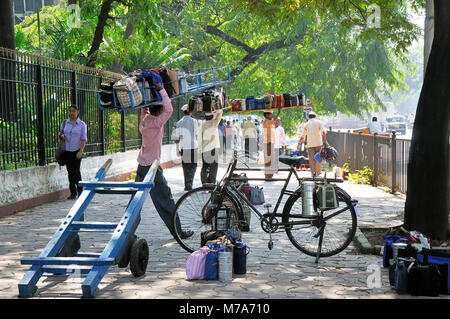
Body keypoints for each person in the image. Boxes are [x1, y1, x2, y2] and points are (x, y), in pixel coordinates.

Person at [135, 75, 192, 239]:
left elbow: (144, 109)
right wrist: (161, 90)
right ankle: (178, 231)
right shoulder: (156, 123)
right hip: (152, 168)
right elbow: (169, 110)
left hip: (141, 164)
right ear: (158, 110)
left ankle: (126, 232)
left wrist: (147, 99)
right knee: (165, 200)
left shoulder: (144, 122)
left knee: (136, 201)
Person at [59, 105, 87, 200]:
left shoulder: (82, 124)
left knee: (76, 171)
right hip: (67, 151)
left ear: (77, 112)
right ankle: (72, 192)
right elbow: (60, 133)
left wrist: (81, 151)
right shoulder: (64, 123)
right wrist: (62, 135)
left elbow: (84, 139)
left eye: (73, 111)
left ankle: (80, 191)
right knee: (70, 172)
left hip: (76, 151)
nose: (71, 113)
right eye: (70, 111)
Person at [174, 104, 198, 191]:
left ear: (183, 112)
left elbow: (177, 138)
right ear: (190, 112)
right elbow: (196, 134)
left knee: (186, 166)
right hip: (193, 147)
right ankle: (189, 183)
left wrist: (177, 149)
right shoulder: (194, 121)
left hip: (184, 147)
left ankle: (187, 184)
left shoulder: (179, 122)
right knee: (193, 166)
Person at [296, 111, 327, 177]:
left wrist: (298, 144)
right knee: (318, 157)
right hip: (318, 143)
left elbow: (302, 136)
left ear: (308, 117)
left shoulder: (306, 124)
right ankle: (318, 173)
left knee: (311, 159)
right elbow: (323, 132)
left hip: (310, 145)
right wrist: (324, 140)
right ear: (315, 116)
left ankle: (313, 174)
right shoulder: (319, 122)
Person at [198, 110, 223, 184]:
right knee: (213, 167)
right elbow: (220, 113)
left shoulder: (202, 126)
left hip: (205, 149)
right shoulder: (214, 123)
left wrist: (200, 149)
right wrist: (216, 110)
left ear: (205, 117)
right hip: (213, 149)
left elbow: (199, 139)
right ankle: (211, 183)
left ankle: (204, 183)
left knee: (205, 167)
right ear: (212, 116)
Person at [262, 109, 281, 179]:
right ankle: (268, 175)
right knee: (268, 159)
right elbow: (274, 120)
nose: (272, 115)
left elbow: (274, 121)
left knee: (271, 159)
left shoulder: (269, 121)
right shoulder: (266, 122)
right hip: (268, 143)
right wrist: (278, 113)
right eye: (271, 114)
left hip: (270, 143)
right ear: (267, 115)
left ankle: (270, 175)